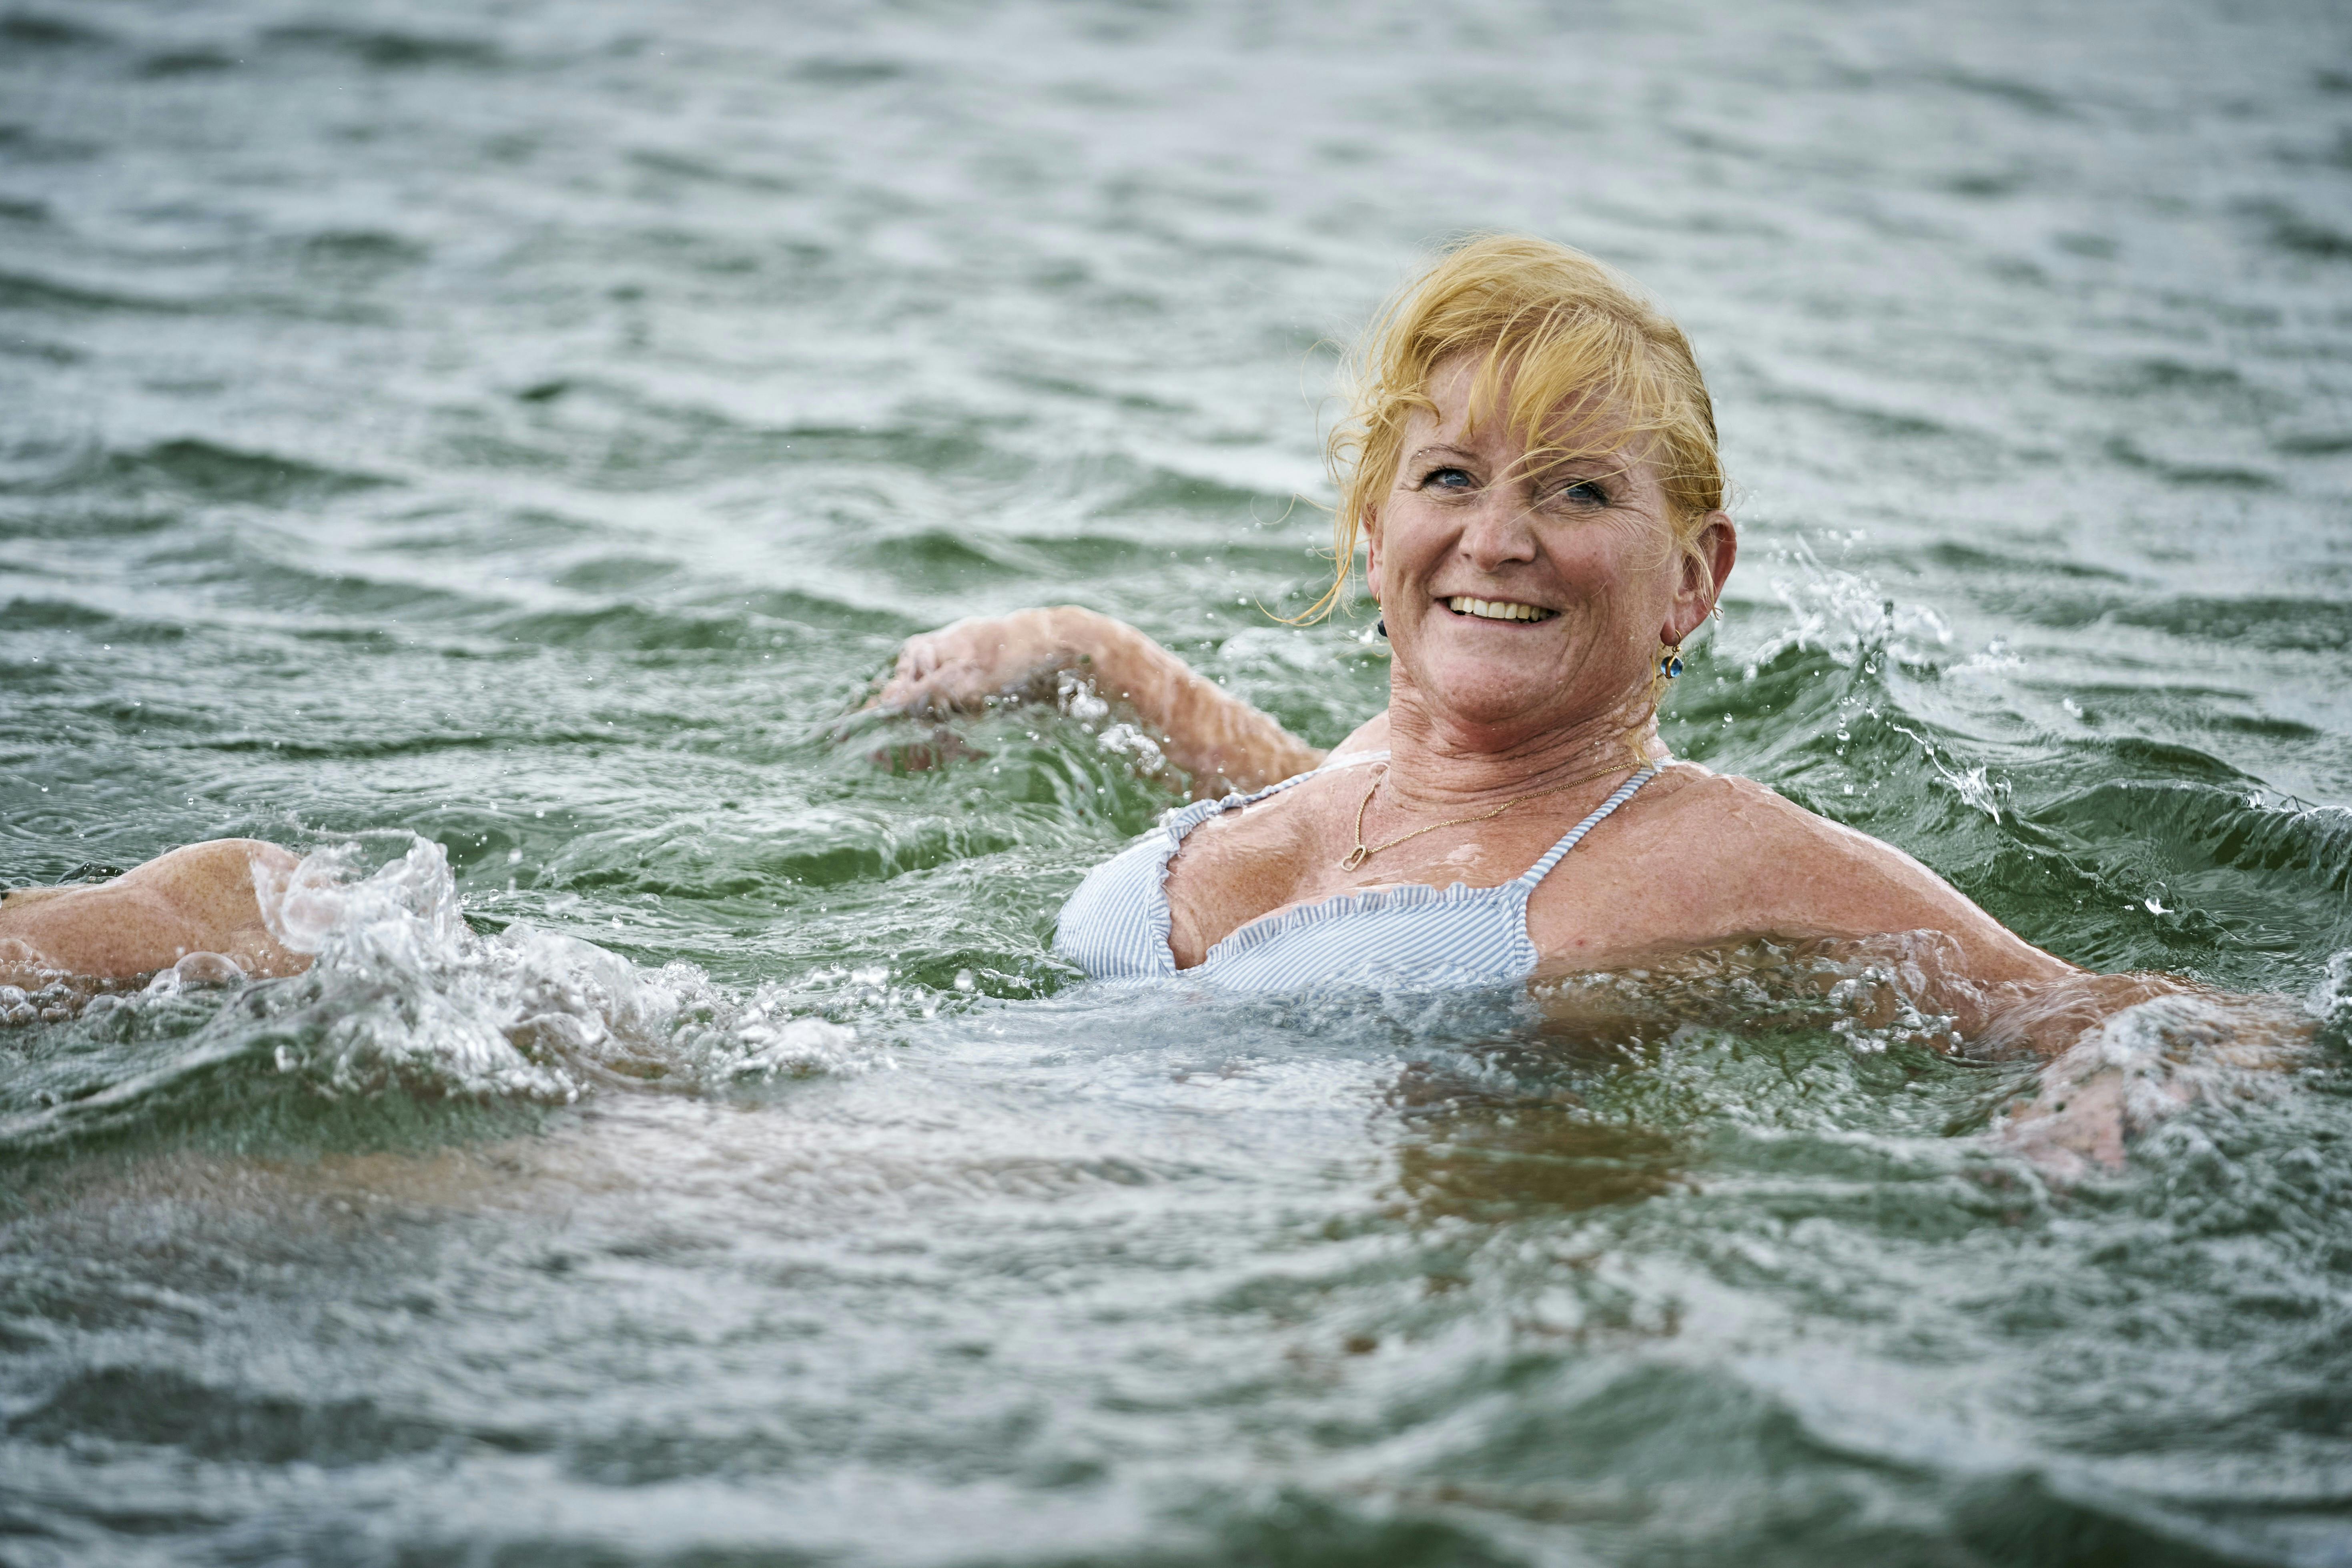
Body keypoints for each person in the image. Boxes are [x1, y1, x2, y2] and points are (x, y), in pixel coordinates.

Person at [0, 236, 2289, 1167]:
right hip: (865, 1090)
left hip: (995, 1219)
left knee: (230, 1209)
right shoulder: (1363, 788)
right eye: (1450, 476)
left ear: (1690, 579)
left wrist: (2100, 1096)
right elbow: (1295, 803)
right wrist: (1076, 646)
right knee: (252, 908)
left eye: (1577, 492)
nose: (1498, 533)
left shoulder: (1706, 853)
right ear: (1374, 528)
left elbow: (2144, 1004)